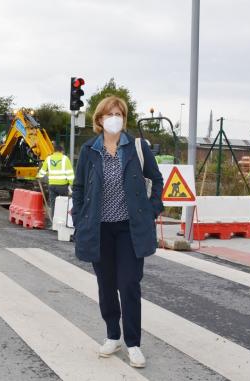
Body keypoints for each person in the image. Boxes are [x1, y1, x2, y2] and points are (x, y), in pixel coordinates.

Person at [71, 96, 163, 368]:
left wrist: (151, 209)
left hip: (129, 229)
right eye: (110, 113)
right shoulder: (90, 151)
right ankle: (113, 335)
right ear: (99, 119)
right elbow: (78, 188)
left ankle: (133, 343)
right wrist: (79, 218)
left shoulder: (136, 147)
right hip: (99, 229)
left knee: (129, 284)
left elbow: (157, 180)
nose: (115, 117)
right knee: (106, 285)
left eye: (119, 113)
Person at [37, 144, 75, 221]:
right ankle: (63, 220)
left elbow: (43, 170)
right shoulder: (65, 159)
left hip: (52, 186)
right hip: (62, 186)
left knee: (53, 204)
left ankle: (54, 221)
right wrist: (72, 184)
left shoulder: (48, 158)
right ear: (62, 151)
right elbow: (70, 173)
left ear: (54, 151)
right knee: (63, 204)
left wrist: (38, 176)